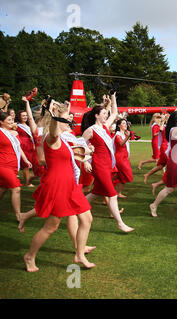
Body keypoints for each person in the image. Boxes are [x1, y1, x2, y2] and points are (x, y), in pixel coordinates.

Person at [23, 100, 95, 272]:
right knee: (51, 227)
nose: (69, 122)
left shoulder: (64, 140)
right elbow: (54, 131)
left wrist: (85, 156)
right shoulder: (51, 137)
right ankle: (29, 256)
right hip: (57, 186)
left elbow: (71, 157)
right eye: (65, 119)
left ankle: (79, 254)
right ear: (56, 121)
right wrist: (56, 117)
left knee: (87, 219)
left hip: (70, 184)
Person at [81, 93, 134, 233]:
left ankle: (76, 207)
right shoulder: (90, 130)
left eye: (106, 113)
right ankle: (120, 223)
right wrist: (86, 161)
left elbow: (115, 112)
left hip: (108, 164)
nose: (106, 115)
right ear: (96, 115)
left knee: (96, 193)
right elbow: (80, 145)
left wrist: (113, 96)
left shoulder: (104, 127)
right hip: (99, 165)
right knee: (112, 194)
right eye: (103, 113)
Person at [0, 112, 32, 222]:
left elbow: (19, 148)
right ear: (1, 122)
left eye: (11, 119)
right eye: (8, 120)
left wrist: (26, 159)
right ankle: (19, 216)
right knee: (16, 188)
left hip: (13, 165)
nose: (11, 122)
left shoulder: (14, 132)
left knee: (3, 188)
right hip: (3, 165)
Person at [113, 119, 133, 198]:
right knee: (127, 175)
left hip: (124, 157)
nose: (125, 125)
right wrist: (128, 137)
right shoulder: (117, 135)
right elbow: (121, 143)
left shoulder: (123, 134)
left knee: (122, 176)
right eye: (123, 123)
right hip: (120, 158)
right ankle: (108, 187)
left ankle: (118, 193)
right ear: (118, 125)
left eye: (126, 123)